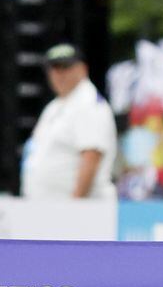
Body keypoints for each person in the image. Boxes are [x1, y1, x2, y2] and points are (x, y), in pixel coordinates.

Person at [20, 42, 116, 200]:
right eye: (54, 68)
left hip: (78, 214)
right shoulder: (55, 106)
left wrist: (74, 207)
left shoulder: (88, 103)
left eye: (65, 67)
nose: (59, 74)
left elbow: (91, 157)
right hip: (50, 210)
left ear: (83, 69)